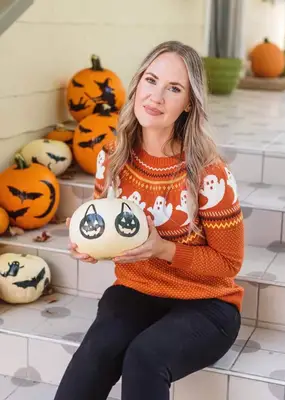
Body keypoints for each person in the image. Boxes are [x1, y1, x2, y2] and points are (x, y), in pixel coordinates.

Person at [54, 40, 244, 400]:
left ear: (188, 103)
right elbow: (112, 234)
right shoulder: (112, 157)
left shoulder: (210, 173)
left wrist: (165, 249)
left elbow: (228, 264)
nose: (156, 96)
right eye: (151, 80)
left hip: (207, 304)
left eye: (173, 88)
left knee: (144, 357)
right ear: (138, 82)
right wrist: (90, 243)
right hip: (136, 291)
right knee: (95, 354)